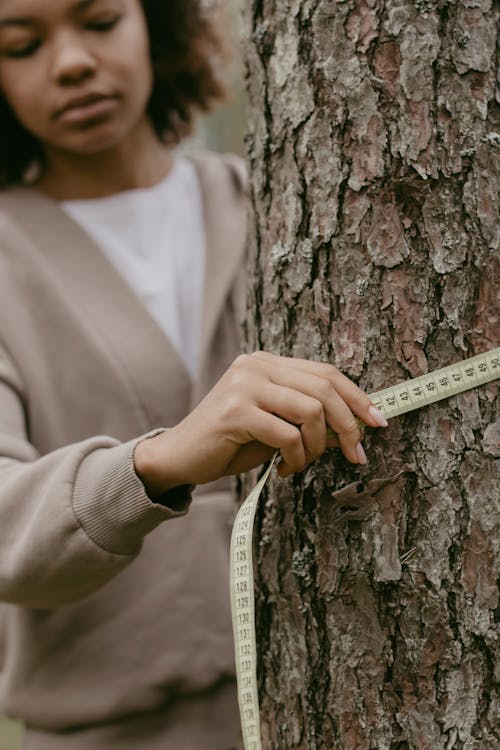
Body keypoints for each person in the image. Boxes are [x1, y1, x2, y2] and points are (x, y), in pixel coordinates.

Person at [0, 1, 389, 748]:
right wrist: (156, 463)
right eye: (21, 45)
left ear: (158, 22)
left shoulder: (279, 202)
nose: (73, 61)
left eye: (102, 20)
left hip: (339, 715)